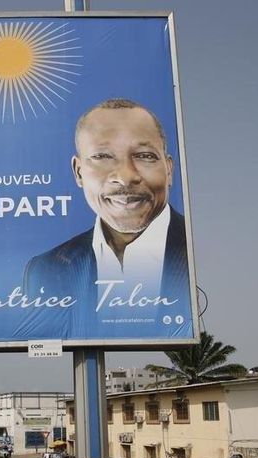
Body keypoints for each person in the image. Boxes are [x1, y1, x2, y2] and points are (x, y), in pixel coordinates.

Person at [24, 98, 190, 319]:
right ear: (78, 172)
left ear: (169, 170)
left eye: (144, 156)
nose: (125, 177)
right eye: (102, 156)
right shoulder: (46, 270)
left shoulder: (199, 251)